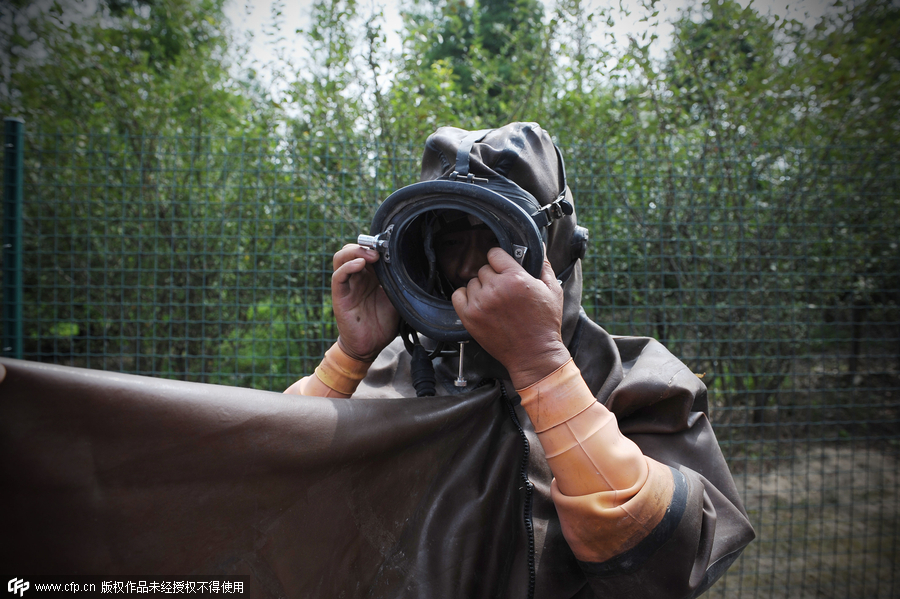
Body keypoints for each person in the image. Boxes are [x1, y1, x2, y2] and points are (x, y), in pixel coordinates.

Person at [285, 122, 755, 598]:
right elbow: (267, 497)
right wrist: (350, 358)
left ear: (557, 246)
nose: (470, 266)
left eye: (495, 236)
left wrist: (542, 368)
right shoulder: (388, 375)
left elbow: (665, 567)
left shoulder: (641, 383)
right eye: (449, 241)